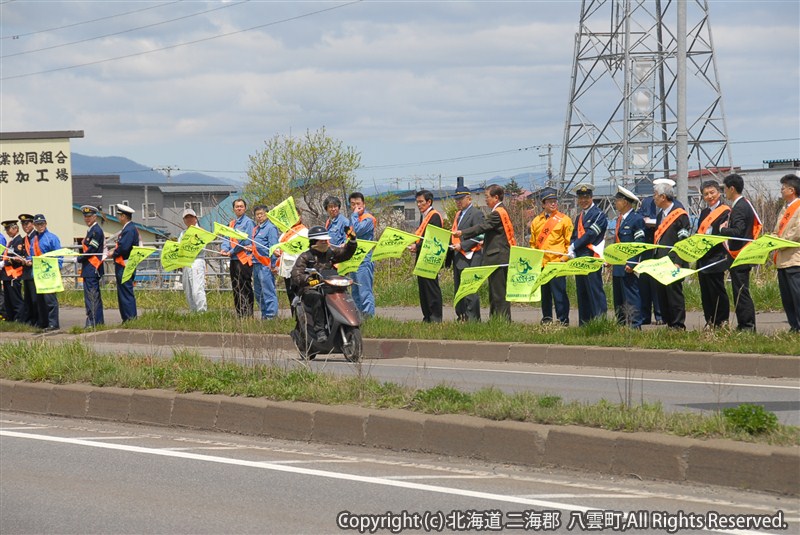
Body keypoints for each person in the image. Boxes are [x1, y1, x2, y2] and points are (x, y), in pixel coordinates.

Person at [455, 184, 516, 321]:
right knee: (494, 292)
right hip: (496, 257)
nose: (485, 200)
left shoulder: (498, 213)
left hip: (498, 258)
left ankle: (502, 321)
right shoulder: (499, 211)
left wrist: (463, 232)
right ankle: (496, 320)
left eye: (487, 197)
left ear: (496, 197)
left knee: (499, 293)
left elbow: (482, 226)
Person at [291, 225, 357, 343]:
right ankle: (319, 330)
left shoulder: (331, 252)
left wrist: (352, 241)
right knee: (317, 298)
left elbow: (346, 253)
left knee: (344, 295)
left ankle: (347, 321)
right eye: (322, 240)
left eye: (325, 240)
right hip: (311, 289)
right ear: (314, 241)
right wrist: (309, 279)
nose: (325, 242)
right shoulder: (305, 257)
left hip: (330, 286)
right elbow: (296, 275)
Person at [719, 173, 761, 331]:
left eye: (725, 189)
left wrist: (723, 230)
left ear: (732, 188)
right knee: (739, 291)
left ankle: (747, 325)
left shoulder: (740, 207)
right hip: (739, 255)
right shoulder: (743, 204)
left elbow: (738, 231)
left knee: (741, 292)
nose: (724, 193)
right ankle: (744, 324)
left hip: (740, 255)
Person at [529, 191, 572, 325]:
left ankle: (563, 320)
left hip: (557, 262)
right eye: (549, 201)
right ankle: (546, 319)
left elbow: (569, 242)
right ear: (543, 204)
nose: (553, 203)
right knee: (545, 294)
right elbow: (533, 242)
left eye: (555, 201)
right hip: (542, 264)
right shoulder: (536, 221)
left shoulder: (564, 219)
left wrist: (563, 259)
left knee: (559, 294)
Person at [652, 181, 691, 329]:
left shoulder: (680, 214)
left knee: (674, 293)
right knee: (661, 294)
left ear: (663, 197)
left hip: (674, 261)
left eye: (655, 195)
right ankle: (669, 323)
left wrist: (678, 261)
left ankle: (678, 324)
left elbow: (683, 240)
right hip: (660, 261)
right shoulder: (660, 215)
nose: (653, 198)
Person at [568, 183, 608, 326]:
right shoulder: (579, 216)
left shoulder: (599, 215)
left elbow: (591, 234)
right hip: (579, 257)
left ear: (591, 198)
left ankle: (600, 321)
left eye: (586, 198)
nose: (583, 201)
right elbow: (574, 235)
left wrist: (574, 245)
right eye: (581, 198)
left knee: (594, 289)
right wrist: (571, 248)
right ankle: (584, 323)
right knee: (582, 290)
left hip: (592, 256)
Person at [695, 180, 731, 329]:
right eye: (706, 194)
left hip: (716, 256)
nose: (709, 196)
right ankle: (709, 320)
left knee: (717, 289)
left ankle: (722, 321)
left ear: (719, 193)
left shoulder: (725, 212)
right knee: (705, 291)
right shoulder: (704, 212)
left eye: (712, 193)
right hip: (703, 257)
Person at [611, 186, 645, 328]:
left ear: (625, 202)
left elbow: (639, 243)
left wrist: (632, 263)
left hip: (627, 265)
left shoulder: (636, 219)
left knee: (631, 296)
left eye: (617, 200)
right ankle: (621, 323)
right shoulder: (620, 219)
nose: (615, 203)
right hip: (617, 265)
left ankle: (635, 325)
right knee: (618, 297)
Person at [449, 185, 484, 322]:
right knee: (459, 289)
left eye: (461, 199)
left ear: (469, 198)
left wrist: (463, 245)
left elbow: (480, 236)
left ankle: (473, 318)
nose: (458, 202)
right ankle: (461, 315)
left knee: (470, 289)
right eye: (456, 199)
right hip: (458, 256)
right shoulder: (458, 215)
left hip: (472, 255)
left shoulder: (476, 214)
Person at [409, 189, 444, 323]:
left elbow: (431, 238)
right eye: (417, 202)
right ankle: (427, 316)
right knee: (423, 288)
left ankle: (435, 317)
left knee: (431, 288)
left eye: (421, 202)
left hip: (431, 257)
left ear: (429, 202)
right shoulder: (424, 216)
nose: (418, 204)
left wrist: (417, 246)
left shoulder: (434, 216)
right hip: (422, 255)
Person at [774, 174, 800, 332]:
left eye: (783, 188)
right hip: (782, 259)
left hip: (794, 258)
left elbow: (797, 232)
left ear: (792, 190)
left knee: (797, 295)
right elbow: (778, 230)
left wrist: (781, 242)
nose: (781, 191)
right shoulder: (784, 208)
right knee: (787, 297)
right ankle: (794, 326)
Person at [220, 198, 255, 318]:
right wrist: (224, 249)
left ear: (245, 208)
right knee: (236, 286)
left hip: (243, 258)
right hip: (234, 260)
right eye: (236, 206)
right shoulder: (232, 223)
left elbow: (245, 241)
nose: (239, 208)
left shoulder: (248, 222)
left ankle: (248, 313)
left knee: (245, 286)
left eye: (241, 206)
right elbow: (226, 238)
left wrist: (231, 251)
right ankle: (240, 313)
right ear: (233, 209)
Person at [30, 214, 62, 331]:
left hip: (49, 274)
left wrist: (56, 269)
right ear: (34, 226)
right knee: (40, 300)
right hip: (38, 274)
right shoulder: (34, 240)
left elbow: (59, 255)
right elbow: (32, 256)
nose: (40, 226)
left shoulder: (52, 238)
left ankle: (54, 323)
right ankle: (43, 323)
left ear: (46, 224)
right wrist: (28, 261)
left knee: (50, 300)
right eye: (38, 224)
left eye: (42, 224)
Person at [348, 191, 377, 318]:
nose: (356, 207)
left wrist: (354, 215)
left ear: (363, 204)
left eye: (358, 204)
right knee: (355, 291)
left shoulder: (368, 219)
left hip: (364, 259)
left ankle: (369, 317)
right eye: (353, 205)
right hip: (353, 258)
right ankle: (358, 317)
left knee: (364, 290)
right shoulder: (354, 218)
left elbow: (357, 230)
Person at [111, 204, 140, 322]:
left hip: (125, 264)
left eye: (119, 215)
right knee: (123, 292)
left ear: (124, 216)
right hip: (124, 264)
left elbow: (124, 247)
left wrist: (113, 253)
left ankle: (130, 318)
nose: (118, 217)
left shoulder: (129, 229)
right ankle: (127, 318)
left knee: (126, 293)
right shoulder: (129, 228)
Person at [78, 205, 105, 327]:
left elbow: (92, 249)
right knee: (90, 297)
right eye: (85, 216)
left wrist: (79, 258)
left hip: (92, 267)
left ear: (95, 216)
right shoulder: (91, 230)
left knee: (92, 297)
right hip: (88, 268)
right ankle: (95, 321)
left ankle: (94, 322)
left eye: (89, 216)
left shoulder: (96, 231)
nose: (87, 219)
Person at [251, 204, 279, 319]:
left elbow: (273, 247)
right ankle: (264, 314)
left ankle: (271, 316)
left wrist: (273, 265)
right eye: (257, 215)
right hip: (256, 263)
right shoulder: (256, 229)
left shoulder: (270, 228)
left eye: (261, 214)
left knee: (268, 291)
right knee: (258, 292)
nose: (259, 216)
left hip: (265, 264)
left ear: (266, 214)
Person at [179, 208, 207, 313]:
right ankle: (193, 311)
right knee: (188, 290)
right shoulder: (183, 234)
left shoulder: (200, 231)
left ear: (195, 218)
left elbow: (202, 248)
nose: (189, 219)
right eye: (186, 218)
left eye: (191, 217)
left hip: (197, 261)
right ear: (184, 220)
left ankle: (202, 312)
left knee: (197, 289)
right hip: (185, 262)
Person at [275, 220, 308, 304]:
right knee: (290, 292)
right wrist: (277, 251)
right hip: (287, 267)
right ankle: (294, 315)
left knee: (299, 292)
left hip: (298, 267)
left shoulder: (304, 231)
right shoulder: (285, 231)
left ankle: (302, 315)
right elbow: (280, 246)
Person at [16, 213, 39, 327]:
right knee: (28, 298)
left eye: (27, 223)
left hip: (34, 270)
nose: (25, 226)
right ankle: (30, 320)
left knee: (35, 299)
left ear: (32, 224)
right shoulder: (24, 238)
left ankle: (36, 319)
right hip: (26, 271)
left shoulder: (36, 236)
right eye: (23, 224)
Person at [1, 219, 24, 322]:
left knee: (15, 299)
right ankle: (11, 319)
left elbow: (16, 258)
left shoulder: (19, 241)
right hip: (7, 275)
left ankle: (19, 319)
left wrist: (3, 263)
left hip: (14, 275)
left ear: (15, 228)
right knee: (8, 299)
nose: (7, 231)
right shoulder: (11, 242)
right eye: (6, 229)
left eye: (8, 228)